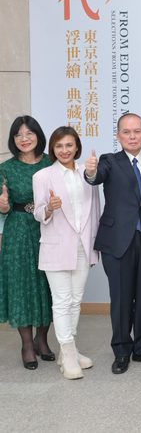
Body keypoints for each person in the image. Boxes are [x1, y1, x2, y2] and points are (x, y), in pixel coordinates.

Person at [84, 112, 141, 374]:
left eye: (136, 131)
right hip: (117, 240)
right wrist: (91, 171)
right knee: (120, 298)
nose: (132, 136)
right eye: (126, 132)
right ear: (118, 136)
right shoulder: (109, 161)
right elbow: (95, 177)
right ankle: (121, 350)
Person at [32, 126, 100, 379]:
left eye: (69, 145)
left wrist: (95, 246)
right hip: (56, 247)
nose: (64, 150)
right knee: (61, 302)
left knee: (75, 300)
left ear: (77, 147)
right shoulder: (43, 176)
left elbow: (95, 211)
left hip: (84, 246)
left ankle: (67, 350)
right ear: (53, 149)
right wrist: (49, 208)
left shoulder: (88, 173)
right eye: (59, 146)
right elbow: (38, 213)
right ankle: (69, 354)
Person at [0, 116, 55, 369]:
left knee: (49, 284)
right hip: (19, 231)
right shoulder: (6, 168)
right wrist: (2, 207)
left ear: (38, 135)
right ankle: (27, 345)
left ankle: (42, 339)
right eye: (18, 135)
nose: (24, 138)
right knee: (22, 286)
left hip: (49, 228)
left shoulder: (50, 162)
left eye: (29, 133)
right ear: (13, 140)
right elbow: (4, 205)